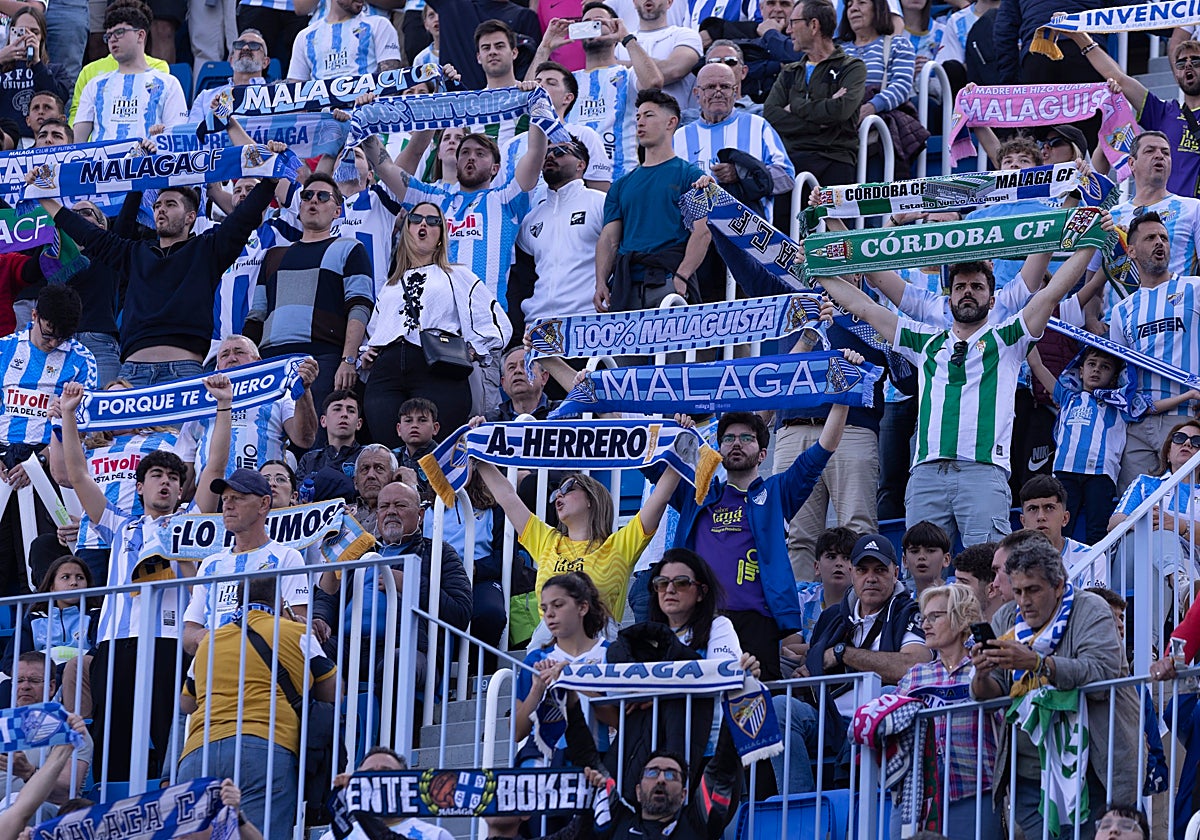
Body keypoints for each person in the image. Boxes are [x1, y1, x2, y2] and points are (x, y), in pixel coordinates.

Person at [818, 247, 1097, 545]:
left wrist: (1091, 242)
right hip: (926, 473)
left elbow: (1051, 293)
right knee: (919, 572)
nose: (968, 293)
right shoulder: (925, 341)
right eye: (960, 287)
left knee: (986, 572)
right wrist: (817, 269)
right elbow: (865, 308)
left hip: (983, 472)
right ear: (948, 298)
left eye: (977, 287)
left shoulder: (1007, 338)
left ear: (992, 300)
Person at [56, 374, 232, 781]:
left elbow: (215, 468)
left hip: (173, 644)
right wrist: (68, 415)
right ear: (139, 487)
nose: (167, 482)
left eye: (173, 477)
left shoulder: (191, 521)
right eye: (157, 476)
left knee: (172, 735)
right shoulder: (119, 527)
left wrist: (223, 406)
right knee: (116, 742)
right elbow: (79, 475)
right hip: (118, 644)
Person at [38, 138, 286, 388]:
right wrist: (43, 197)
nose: (160, 210)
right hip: (131, 375)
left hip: (183, 373)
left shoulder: (208, 250)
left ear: (191, 216)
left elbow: (244, 218)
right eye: (157, 205)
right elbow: (89, 235)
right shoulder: (134, 253)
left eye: (170, 204)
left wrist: (270, 179)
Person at [970, 534, 1138, 840]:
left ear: (1059, 586)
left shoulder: (1092, 610)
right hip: (1030, 777)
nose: (1024, 601)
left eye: (1033, 590)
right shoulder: (1007, 615)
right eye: (1018, 590)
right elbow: (994, 688)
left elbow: (1101, 675)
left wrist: (1038, 663)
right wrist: (981, 675)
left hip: (1092, 772)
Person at [666, 401, 849, 680]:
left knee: (755, 710)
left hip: (757, 622)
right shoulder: (698, 495)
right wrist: (673, 438)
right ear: (718, 449)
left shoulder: (777, 492)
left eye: (746, 438)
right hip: (699, 618)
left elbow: (823, 450)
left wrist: (844, 396)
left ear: (763, 453)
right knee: (698, 709)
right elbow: (645, 459)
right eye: (728, 438)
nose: (736, 443)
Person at [179, 576, 337, 840]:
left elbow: (187, 702)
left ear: (236, 602)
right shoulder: (296, 632)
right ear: (279, 601)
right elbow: (333, 691)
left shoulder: (209, 641)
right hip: (265, 747)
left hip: (199, 750)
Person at [475, 458, 680, 641]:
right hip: (549, 648)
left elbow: (660, 497)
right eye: (556, 492)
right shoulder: (546, 541)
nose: (558, 496)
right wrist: (478, 455)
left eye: (568, 488)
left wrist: (681, 447)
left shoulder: (618, 546)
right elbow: (507, 496)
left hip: (597, 650)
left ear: (591, 498)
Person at [360, 201, 511, 442]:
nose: (424, 225)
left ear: (441, 234)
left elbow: (496, 322)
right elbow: (374, 331)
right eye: (417, 219)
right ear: (407, 230)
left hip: (435, 367)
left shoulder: (456, 274)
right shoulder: (390, 285)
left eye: (433, 221)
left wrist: (472, 350)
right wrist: (366, 355)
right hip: (386, 373)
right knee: (388, 449)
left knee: (436, 451)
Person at [312, 481, 472, 695]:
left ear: (421, 515)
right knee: (298, 652)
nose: (391, 512)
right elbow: (328, 597)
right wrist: (320, 617)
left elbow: (460, 612)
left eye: (400, 505)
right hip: (346, 645)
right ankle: (320, 725)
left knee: (399, 663)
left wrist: (411, 584)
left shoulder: (438, 553)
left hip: (403, 646)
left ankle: (393, 729)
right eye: (384, 506)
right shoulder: (359, 552)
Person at [244, 173, 375, 412]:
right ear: (300, 205)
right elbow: (256, 315)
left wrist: (348, 360)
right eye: (307, 195)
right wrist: (247, 366)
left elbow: (360, 306)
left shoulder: (350, 249)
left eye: (323, 196)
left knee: (312, 438)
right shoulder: (273, 255)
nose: (313, 200)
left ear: (338, 211)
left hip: (322, 359)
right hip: (270, 362)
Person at [893, 584, 999, 838]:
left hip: (974, 788)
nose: (925, 625)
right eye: (923, 618)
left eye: (935, 617)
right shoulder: (916, 675)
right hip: (920, 794)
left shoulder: (982, 666)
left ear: (961, 619)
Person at [46, 378, 176, 584]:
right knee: (93, 610)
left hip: (140, 537)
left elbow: (181, 482)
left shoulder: (165, 440)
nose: (117, 407)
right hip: (92, 541)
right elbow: (63, 475)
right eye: (110, 401)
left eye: (123, 399)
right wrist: (58, 423)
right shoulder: (90, 445)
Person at [1107, 209, 1200, 491]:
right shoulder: (1121, 310)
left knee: (1186, 501)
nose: (1160, 242)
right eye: (1150, 238)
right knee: (1136, 507)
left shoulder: (1195, 288)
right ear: (1132, 251)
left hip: (1184, 420)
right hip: (1137, 426)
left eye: (1164, 237)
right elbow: (1120, 372)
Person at [595, 89, 711, 312]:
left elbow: (702, 231)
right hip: (626, 285)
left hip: (668, 280)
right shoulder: (621, 185)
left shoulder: (691, 176)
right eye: (637, 116)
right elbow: (609, 238)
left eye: (649, 115)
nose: (640, 122)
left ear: (671, 122)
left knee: (672, 347)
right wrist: (601, 282)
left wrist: (682, 276)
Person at [181, 468, 311, 654]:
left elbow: (297, 626)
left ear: (263, 504)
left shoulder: (287, 557)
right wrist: (201, 637)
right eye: (225, 499)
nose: (227, 505)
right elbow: (188, 634)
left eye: (237, 498)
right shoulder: (210, 564)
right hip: (211, 671)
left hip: (260, 669)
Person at [806, 534, 927, 722]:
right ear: (851, 572)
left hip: (878, 723)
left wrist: (843, 653)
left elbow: (913, 667)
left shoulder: (909, 613)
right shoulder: (831, 617)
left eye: (879, 570)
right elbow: (809, 668)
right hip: (828, 719)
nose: (871, 578)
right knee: (784, 707)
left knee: (886, 698)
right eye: (862, 570)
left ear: (895, 574)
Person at [1067, 30, 1200, 199]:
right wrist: (1079, 38)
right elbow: (1119, 79)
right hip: (1170, 216)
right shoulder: (1165, 113)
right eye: (1180, 64)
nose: (1187, 65)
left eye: (1195, 61)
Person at [177, 336, 319, 480]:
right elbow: (185, 468)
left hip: (261, 493)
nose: (232, 358)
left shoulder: (280, 394)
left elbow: (304, 440)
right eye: (225, 355)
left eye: (239, 352)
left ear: (258, 361)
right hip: (212, 496)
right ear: (218, 366)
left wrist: (304, 390)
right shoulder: (200, 404)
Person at [763, 0, 867, 188]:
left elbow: (840, 111)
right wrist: (822, 121)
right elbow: (771, 115)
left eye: (793, 23)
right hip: (791, 161)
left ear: (813, 25)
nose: (788, 30)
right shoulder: (790, 71)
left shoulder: (851, 68)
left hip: (833, 160)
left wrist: (794, 106)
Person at [674, 60, 794, 222]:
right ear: (696, 93)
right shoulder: (680, 136)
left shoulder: (757, 126)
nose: (718, 92)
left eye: (724, 87)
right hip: (695, 234)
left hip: (747, 232)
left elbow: (786, 178)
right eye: (710, 87)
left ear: (735, 91)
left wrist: (741, 175)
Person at [511, 138, 606, 336]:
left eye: (562, 151)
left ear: (581, 165)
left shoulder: (601, 203)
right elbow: (523, 281)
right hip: (539, 325)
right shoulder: (531, 219)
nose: (551, 156)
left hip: (588, 320)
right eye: (547, 153)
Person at [513, 571, 609, 765]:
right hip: (541, 759)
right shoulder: (536, 660)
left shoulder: (610, 653)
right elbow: (517, 732)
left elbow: (619, 719)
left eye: (558, 605)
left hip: (593, 759)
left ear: (582, 607)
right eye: (544, 608)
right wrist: (536, 689)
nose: (549, 614)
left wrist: (572, 683)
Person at [566, 2, 664, 181]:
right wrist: (545, 47)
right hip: (574, 183)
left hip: (621, 179)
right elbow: (531, 100)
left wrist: (626, 38)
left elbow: (654, 82)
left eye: (600, 21)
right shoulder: (568, 80)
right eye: (587, 22)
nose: (594, 26)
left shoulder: (627, 75)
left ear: (615, 27)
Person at [72, 3, 187, 141]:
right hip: (102, 161)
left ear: (140, 35)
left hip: (149, 161)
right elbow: (77, 143)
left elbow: (178, 138)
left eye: (119, 32)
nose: (112, 39)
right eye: (108, 36)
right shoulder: (94, 85)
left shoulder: (169, 84)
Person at [0, 712, 87, 840]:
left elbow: (21, 811)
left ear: (51, 690)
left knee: (16, 802)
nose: (23, 690)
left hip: (48, 810)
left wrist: (66, 744)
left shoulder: (60, 727)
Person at [616, 0, 701, 115]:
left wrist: (622, 65)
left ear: (669, 2)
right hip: (631, 128)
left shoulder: (685, 35)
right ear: (634, 3)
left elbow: (674, 70)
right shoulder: (619, 46)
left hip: (678, 123)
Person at [286, 0, 401, 81]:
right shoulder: (305, 36)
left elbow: (391, 82)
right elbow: (295, 91)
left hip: (366, 111)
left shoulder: (380, 25)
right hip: (321, 113)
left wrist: (369, 101)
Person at [0, 6, 69, 140]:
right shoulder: (1, 67)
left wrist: (37, 64)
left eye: (34, 32)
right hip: (4, 140)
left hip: (41, 140)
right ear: (11, 33)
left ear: (42, 36)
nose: (27, 38)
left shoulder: (55, 70)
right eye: (21, 32)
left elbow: (59, 100)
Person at [188, 29, 270, 121]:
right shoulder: (204, 98)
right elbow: (192, 133)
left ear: (265, 62)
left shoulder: (275, 96)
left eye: (254, 45)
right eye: (239, 45)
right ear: (231, 61)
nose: (245, 48)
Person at [296, 390, 363, 485]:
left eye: (351, 410)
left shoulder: (368, 456)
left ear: (358, 424)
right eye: (337, 409)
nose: (344, 414)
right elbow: (299, 495)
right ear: (323, 421)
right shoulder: (309, 460)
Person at [484, 347, 560, 421]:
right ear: (503, 383)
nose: (518, 371)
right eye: (511, 367)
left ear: (543, 377)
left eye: (525, 365)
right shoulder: (490, 421)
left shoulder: (563, 413)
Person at [393, 398, 440, 504]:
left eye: (422, 420)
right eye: (408, 421)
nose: (414, 425)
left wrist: (413, 485)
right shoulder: (390, 458)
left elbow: (447, 500)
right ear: (399, 429)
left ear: (435, 428)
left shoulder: (444, 458)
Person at [349, 444, 396, 535]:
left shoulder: (400, 513)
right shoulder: (342, 516)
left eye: (379, 468)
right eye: (365, 469)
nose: (370, 475)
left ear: (394, 477)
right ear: (355, 482)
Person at [950, 541, 1002, 620]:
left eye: (963, 582)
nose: (954, 588)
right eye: (955, 581)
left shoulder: (1016, 629)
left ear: (991, 590)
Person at [900, 520, 950, 597]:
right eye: (914, 551)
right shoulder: (904, 606)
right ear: (905, 561)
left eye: (930, 551)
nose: (921, 557)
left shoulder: (960, 599)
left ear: (946, 559)